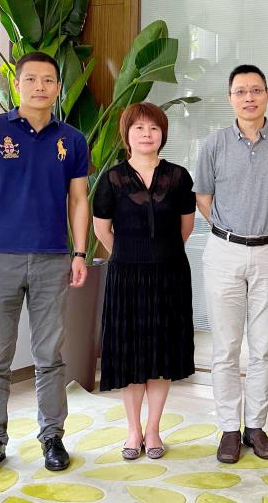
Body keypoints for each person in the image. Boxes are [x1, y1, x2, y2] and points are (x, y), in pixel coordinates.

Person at [0, 52, 89, 480]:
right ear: (16, 84)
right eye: (31, 79)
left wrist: (79, 253)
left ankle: (52, 437)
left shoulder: (72, 140)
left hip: (53, 259)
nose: (40, 86)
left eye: (48, 80)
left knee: (49, 355)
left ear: (58, 87)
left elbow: (78, 200)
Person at [194, 64, 268, 463]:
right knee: (225, 347)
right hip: (224, 251)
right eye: (240, 91)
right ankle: (228, 428)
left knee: (264, 347)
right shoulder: (214, 144)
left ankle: (255, 426)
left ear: (267, 95)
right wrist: (231, 231)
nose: (249, 98)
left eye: (256, 90)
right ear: (230, 99)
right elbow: (203, 197)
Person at [93, 102, 196, 460]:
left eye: (153, 128)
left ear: (163, 134)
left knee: (161, 354)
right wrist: (129, 255)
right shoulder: (111, 179)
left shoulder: (179, 177)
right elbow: (102, 230)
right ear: (127, 135)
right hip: (127, 278)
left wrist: (159, 255)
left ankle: (153, 429)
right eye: (138, 128)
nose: (146, 134)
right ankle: (133, 430)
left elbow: (185, 227)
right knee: (131, 355)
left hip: (170, 275)